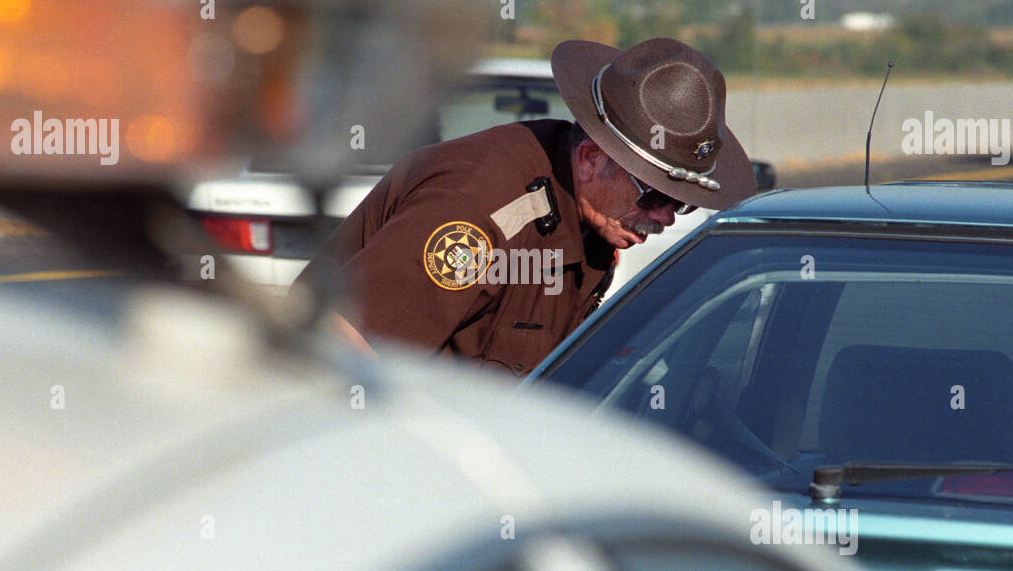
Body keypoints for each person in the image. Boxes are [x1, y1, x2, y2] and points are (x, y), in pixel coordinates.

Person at [297, 36, 757, 375]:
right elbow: (338, 344)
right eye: (655, 194)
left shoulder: (591, 219)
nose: (666, 217)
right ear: (593, 159)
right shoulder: (480, 211)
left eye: (683, 204)